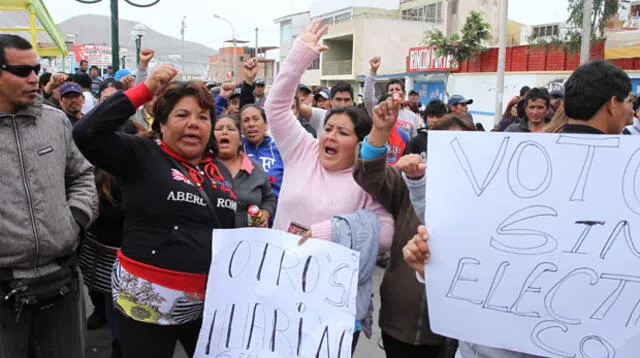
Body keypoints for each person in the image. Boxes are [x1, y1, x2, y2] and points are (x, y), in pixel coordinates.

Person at [403, 59, 634, 358]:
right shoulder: (627, 178)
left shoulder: (511, 160)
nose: (631, 110)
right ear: (612, 104)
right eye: (628, 101)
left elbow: (467, 239)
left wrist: (433, 265)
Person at [73, 65, 237, 358]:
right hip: (146, 308)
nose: (194, 123)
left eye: (203, 117)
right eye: (182, 115)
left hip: (205, 305)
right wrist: (144, 90)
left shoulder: (219, 171)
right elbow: (87, 133)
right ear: (161, 123)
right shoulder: (142, 154)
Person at [266, 21, 395, 351]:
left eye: (342, 132)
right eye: (328, 128)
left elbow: (387, 231)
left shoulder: (367, 177)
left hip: (334, 303)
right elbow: (276, 107)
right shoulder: (302, 150)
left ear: (360, 141)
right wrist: (300, 55)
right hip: (283, 287)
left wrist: (336, 231)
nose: (330, 137)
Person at [0, 34, 98, 358]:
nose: (34, 78)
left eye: (36, 68)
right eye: (22, 70)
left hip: (62, 280)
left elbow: (83, 175)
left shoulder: (55, 122)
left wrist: (76, 221)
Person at [353, 96, 450, 357]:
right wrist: (380, 132)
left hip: (450, 329)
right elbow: (370, 174)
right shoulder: (411, 184)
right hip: (400, 322)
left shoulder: (479, 204)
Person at [214, 114, 277, 228]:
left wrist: (265, 213)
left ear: (239, 141)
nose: (224, 132)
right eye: (219, 129)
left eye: (231, 129)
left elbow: (269, 198)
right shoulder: (200, 168)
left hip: (247, 241)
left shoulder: (255, 168)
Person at [238, 61, 284, 197]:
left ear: (266, 124)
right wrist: (248, 80)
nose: (251, 124)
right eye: (245, 121)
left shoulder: (280, 150)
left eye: (256, 119)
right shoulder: (236, 147)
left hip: (274, 214)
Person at [363, 56, 421, 138]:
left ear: (404, 94)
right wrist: (373, 71)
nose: (394, 92)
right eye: (391, 90)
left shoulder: (412, 116)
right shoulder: (379, 111)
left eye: (397, 89)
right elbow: (368, 98)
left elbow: (414, 140)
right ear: (387, 94)